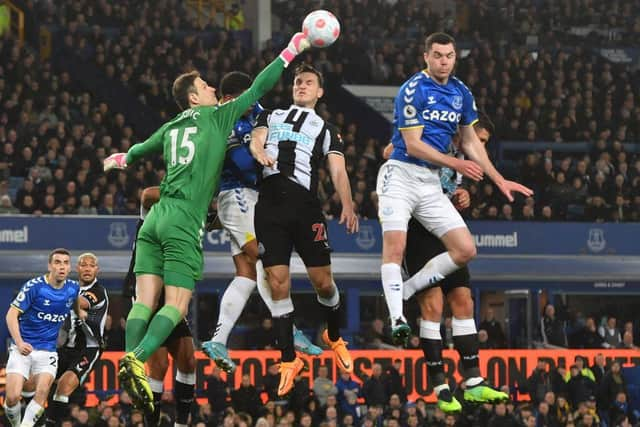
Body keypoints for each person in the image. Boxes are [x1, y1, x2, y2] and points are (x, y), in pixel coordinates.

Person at [103, 31, 312, 409]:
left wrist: (122, 159)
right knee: (177, 305)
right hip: (183, 219)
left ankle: (128, 357)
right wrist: (290, 49)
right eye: (205, 85)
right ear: (194, 97)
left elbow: (140, 148)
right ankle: (135, 359)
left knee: (145, 300)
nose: (213, 87)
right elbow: (259, 86)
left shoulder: (172, 125)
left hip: (154, 219)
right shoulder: (217, 117)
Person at [375, 32, 532, 344]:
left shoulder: (461, 92)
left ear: (455, 58)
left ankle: (407, 289)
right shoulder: (412, 89)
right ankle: (396, 318)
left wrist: (498, 179)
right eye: (437, 55)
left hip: (431, 182)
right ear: (426, 57)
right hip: (401, 175)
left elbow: (471, 140)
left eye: (448, 56)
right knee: (394, 249)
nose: (443, 61)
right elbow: (413, 145)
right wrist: (456, 163)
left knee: (465, 250)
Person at [384, 114, 508, 412]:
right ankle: (440, 385)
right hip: (416, 228)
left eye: (484, 143)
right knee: (434, 306)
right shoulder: (432, 138)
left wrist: (462, 194)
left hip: (444, 230)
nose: (478, 145)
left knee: (464, 301)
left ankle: (474, 381)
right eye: (477, 139)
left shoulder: (467, 162)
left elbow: (450, 187)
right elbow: (389, 152)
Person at [200, 71, 321, 373]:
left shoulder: (261, 115)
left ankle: (218, 339)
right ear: (229, 100)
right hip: (238, 195)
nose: (252, 102)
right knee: (265, 257)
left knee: (246, 274)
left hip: (258, 199)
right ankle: (288, 328)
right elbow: (238, 165)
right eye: (246, 98)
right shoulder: (222, 121)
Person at [250, 63, 358, 396]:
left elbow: (338, 171)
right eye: (298, 81)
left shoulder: (326, 129)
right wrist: (259, 153)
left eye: (309, 82)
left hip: (304, 206)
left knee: (323, 283)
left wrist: (348, 203)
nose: (302, 85)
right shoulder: (271, 116)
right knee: (277, 283)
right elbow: (256, 141)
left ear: (320, 92)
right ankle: (288, 359)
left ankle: (334, 336)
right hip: (269, 205)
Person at [122, 191, 196, 427]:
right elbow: (146, 196)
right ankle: (151, 423)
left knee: (188, 360)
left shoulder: (184, 226)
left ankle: (182, 423)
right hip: (147, 293)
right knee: (159, 365)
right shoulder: (150, 216)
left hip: (171, 296)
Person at [4, 248, 80, 427]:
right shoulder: (34, 286)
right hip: (23, 348)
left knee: (42, 392)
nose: (61, 267)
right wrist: (20, 342)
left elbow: (76, 305)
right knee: (13, 397)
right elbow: (11, 315)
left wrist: (81, 316)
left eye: (65, 263)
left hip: (48, 352)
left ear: (69, 268)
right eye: (57, 262)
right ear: (49, 265)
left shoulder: (73, 288)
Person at [44, 253, 109, 427]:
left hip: (89, 349)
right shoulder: (69, 288)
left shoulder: (98, 291)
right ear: (77, 268)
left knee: (64, 385)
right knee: (39, 383)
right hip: (65, 349)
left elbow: (79, 302)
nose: (87, 268)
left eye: (91, 265)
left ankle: (50, 424)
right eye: (83, 265)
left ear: (97, 270)